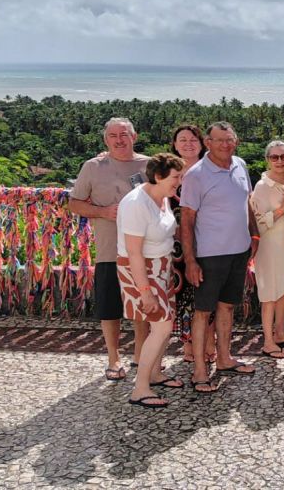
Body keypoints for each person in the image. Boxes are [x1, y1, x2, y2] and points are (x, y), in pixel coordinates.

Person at [68, 117, 149, 382]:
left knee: (141, 305)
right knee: (109, 307)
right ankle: (114, 358)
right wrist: (103, 211)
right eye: (113, 135)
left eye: (124, 134)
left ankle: (140, 353)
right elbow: (75, 204)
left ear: (134, 137)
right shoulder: (93, 167)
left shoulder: (148, 165)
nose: (119, 139)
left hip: (143, 250)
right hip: (108, 250)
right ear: (106, 140)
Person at [181, 122, 258, 392]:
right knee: (202, 312)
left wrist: (254, 236)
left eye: (230, 139)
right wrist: (190, 260)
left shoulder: (240, 164)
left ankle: (225, 359)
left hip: (239, 251)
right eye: (220, 140)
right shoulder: (196, 174)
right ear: (208, 142)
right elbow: (187, 220)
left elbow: (247, 201)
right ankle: (199, 370)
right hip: (209, 256)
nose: (226, 144)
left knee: (227, 307)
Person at [117, 153, 185, 408]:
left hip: (161, 266)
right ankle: (140, 387)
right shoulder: (136, 203)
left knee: (165, 323)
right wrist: (145, 291)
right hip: (140, 270)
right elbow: (134, 253)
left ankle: (155, 373)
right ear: (158, 176)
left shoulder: (162, 197)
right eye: (176, 177)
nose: (179, 182)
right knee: (163, 325)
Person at [168, 125, 216, 364]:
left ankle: (209, 340)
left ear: (202, 143)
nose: (188, 144)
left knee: (209, 293)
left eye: (192, 139)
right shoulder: (167, 171)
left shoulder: (211, 169)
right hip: (177, 244)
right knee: (184, 294)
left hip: (209, 240)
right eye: (182, 140)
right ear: (174, 144)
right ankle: (188, 343)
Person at [250, 141, 284, 359]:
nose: (279, 161)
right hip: (269, 246)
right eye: (274, 157)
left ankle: (280, 332)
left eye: (283, 156)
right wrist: (282, 209)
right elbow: (258, 222)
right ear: (267, 159)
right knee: (269, 293)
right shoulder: (262, 187)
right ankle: (268, 342)